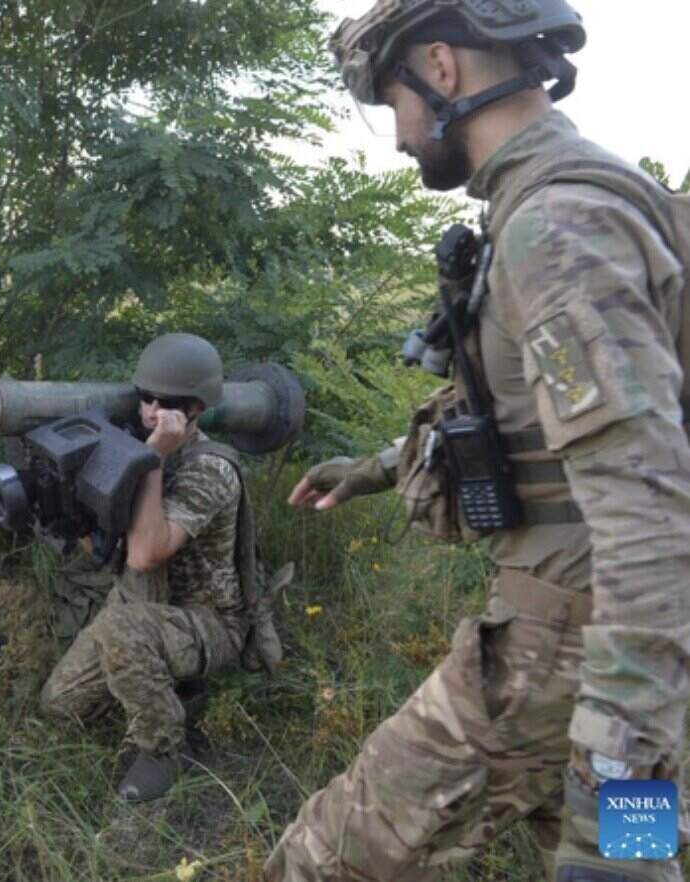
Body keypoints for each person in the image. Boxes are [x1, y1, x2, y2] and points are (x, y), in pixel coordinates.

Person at [267, 2, 690, 880]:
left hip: (567, 653)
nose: (397, 139)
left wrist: (619, 782)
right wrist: (380, 467)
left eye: (393, 105)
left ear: (442, 68)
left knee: (320, 861)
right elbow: (535, 423)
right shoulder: (562, 206)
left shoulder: (556, 230)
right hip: (590, 651)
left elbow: (652, 520)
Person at [40, 332, 279, 803]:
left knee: (123, 630)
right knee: (59, 706)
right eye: (144, 398)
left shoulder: (210, 469)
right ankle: (171, 687)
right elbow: (108, 548)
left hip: (207, 619)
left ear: (196, 407)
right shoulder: (134, 443)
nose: (151, 411)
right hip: (140, 603)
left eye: (166, 402)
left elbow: (147, 553)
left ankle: (165, 748)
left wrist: (153, 458)